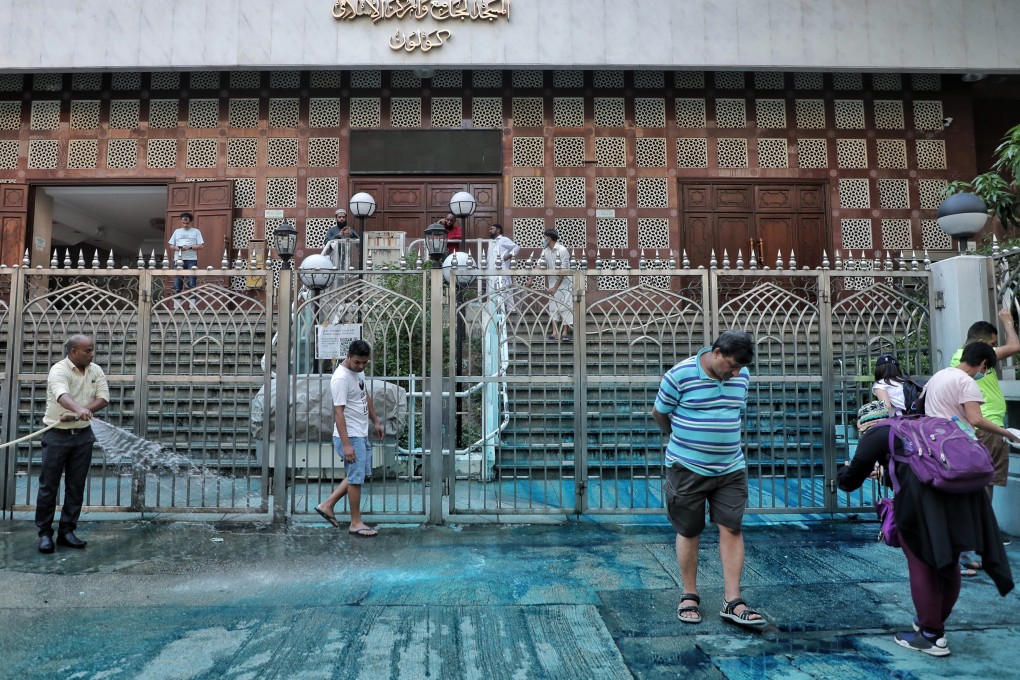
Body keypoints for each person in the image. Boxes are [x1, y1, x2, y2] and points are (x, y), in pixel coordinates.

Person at [838, 341, 1014, 657]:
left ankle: (932, 635)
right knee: (949, 564)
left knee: (922, 565)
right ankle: (932, 627)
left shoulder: (881, 432)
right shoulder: (934, 425)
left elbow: (849, 482)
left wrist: (844, 470)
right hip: (963, 500)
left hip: (921, 506)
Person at [651, 331, 769, 629]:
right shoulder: (679, 375)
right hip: (687, 467)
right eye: (732, 366)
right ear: (716, 353)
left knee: (732, 527)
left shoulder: (741, 376)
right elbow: (659, 413)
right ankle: (689, 594)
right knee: (689, 530)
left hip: (731, 467)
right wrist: (681, 440)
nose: (736, 373)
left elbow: (732, 413)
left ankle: (733, 600)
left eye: (740, 368)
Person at [35, 335, 110, 554]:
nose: (92, 353)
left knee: (76, 486)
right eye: (87, 350)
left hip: (83, 436)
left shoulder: (95, 370)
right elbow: (61, 395)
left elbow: (104, 397)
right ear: (73, 352)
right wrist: (79, 409)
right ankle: (45, 534)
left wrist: (83, 411)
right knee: (48, 486)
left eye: (92, 349)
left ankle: (67, 531)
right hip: (56, 435)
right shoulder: (59, 370)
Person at [949, 309, 1020, 502]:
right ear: (981, 345)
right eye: (992, 345)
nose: (993, 350)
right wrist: (1007, 322)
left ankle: (981, 527)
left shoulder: (964, 358)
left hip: (986, 426)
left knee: (984, 482)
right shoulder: (968, 357)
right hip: (986, 426)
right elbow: (1015, 346)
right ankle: (983, 528)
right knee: (984, 482)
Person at [316, 340, 385, 537]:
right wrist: (346, 444)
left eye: (364, 363)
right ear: (348, 356)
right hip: (350, 436)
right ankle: (355, 522)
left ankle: (327, 505)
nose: (361, 366)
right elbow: (338, 413)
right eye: (357, 362)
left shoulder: (357, 372)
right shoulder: (341, 379)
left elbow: (365, 396)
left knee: (357, 474)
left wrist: (376, 421)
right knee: (356, 478)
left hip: (360, 433)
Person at [541, 229, 573, 341]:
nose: (543, 239)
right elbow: (539, 265)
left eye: (544, 237)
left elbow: (563, 271)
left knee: (566, 307)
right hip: (552, 281)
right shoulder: (545, 250)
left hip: (564, 282)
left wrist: (556, 287)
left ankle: (565, 332)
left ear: (549, 238)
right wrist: (530, 279)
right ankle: (555, 332)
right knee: (553, 307)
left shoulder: (562, 250)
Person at [167, 212, 204, 303]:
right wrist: (178, 248)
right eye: (183, 223)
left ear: (191, 222)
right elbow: (171, 246)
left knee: (192, 281)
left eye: (187, 223)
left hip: (191, 260)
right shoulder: (177, 231)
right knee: (177, 282)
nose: (185, 225)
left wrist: (190, 247)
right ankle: (177, 304)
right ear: (181, 221)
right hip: (178, 259)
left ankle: (192, 303)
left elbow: (201, 246)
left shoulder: (196, 231)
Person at [486, 223, 520, 313]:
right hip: (492, 270)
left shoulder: (503, 239)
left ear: (498, 230)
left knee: (506, 288)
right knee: (493, 289)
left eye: (492, 229)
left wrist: (508, 256)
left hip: (502, 268)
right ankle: (496, 308)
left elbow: (516, 247)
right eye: (490, 229)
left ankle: (511, 309)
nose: (490, 231)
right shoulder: (491, 242)